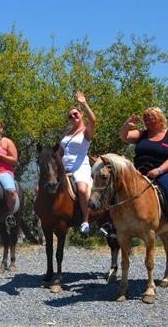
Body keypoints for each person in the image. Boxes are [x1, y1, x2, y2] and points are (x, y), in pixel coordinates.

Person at [120, 107, 168, 244]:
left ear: (160, 118)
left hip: (162, 173)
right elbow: (124, 136)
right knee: (116, 188)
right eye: (146, 119)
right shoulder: (142, 134)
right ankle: (113, 223)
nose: (148, 121)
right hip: (138, 172)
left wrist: (159, 170)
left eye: (151, 118)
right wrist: (127, 125)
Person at [61, 92, 97, 234]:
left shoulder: (86, 131)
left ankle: (85, 220)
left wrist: (84, 103)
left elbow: (93, 120)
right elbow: (60, 151)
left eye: (75, 114)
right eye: (70, 116)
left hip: (80, 166)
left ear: (81, 114)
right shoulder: (67, 133)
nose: (73, 117)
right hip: (64, 166)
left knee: (82, 189)